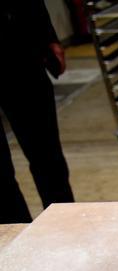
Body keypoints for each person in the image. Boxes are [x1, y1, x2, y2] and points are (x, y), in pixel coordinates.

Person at [0, 0, 75, 224]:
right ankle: (15, 239)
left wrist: (48, 35)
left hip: (20, 47)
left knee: (47, 154)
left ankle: (66, 227)